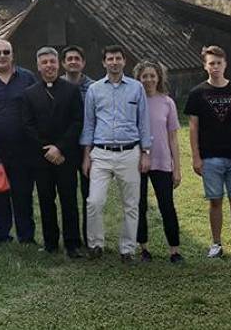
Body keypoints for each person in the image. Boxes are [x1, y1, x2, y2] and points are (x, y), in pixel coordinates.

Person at [184, 45, 231, 259]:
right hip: (210, 157)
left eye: (218, 63)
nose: (215, 67)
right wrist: (196, 157)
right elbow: (193, 127)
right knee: (215, 200)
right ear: (205, 66)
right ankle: (216, 244)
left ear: (225, 64)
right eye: (211, 63)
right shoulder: (197, 93)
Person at [80, 45, 151, 263]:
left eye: (118, 58)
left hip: (129, 152)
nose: (114, 62)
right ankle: (95, 244)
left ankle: (127, 249)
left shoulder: (136, 88)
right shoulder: (94, 90)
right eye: (110, 59)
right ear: (104, 62)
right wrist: (86, 156)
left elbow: (143, 122)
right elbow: (89, 124)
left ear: (124, 61)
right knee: (94, 201)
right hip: (101, 153)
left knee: (131, 204)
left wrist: (145, 152)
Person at [22, 47, 84, 258]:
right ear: (38, 67)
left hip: (66, 156)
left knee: (69, 200)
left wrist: (60, 147)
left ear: (59, 64)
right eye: (44, 62)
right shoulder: (29, 93)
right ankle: (50, 243)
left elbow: (77, 121)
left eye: (52, 61)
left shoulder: (72, 90)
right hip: (41, 157)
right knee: (46, 200)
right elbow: (28, 125)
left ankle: (72, 243)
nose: (49, 66)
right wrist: (47, 148)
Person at [0, 39, 37, 246]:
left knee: (23, 193)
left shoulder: (27, 77)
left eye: (6, 52)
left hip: (23, 147)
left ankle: (26, 236)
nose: (2, 56)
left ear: (12, 54)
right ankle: (2, 235)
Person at [133, 60, 182, 263]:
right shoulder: (133, 102)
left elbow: (173, 138)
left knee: (166, 206)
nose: (149, 80)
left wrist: (176, 168)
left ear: (159, 77)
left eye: (152, 75)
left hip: (162, 161)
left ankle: (174, 250)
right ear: (138, 79)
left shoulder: (167, 102)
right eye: (144, 76)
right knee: (140, 206)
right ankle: (143, 248)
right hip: (137, 162)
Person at [60, 45, 93, 247]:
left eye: (77, 58)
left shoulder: (94, 87)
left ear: (83, 62)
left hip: (89, 147)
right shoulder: (57, 86)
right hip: (66, 147)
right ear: (63, 63)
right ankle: (72, 240)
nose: (73, 61)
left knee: (90, 196)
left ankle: (91, 238)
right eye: (69, 58)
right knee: (68, 195)